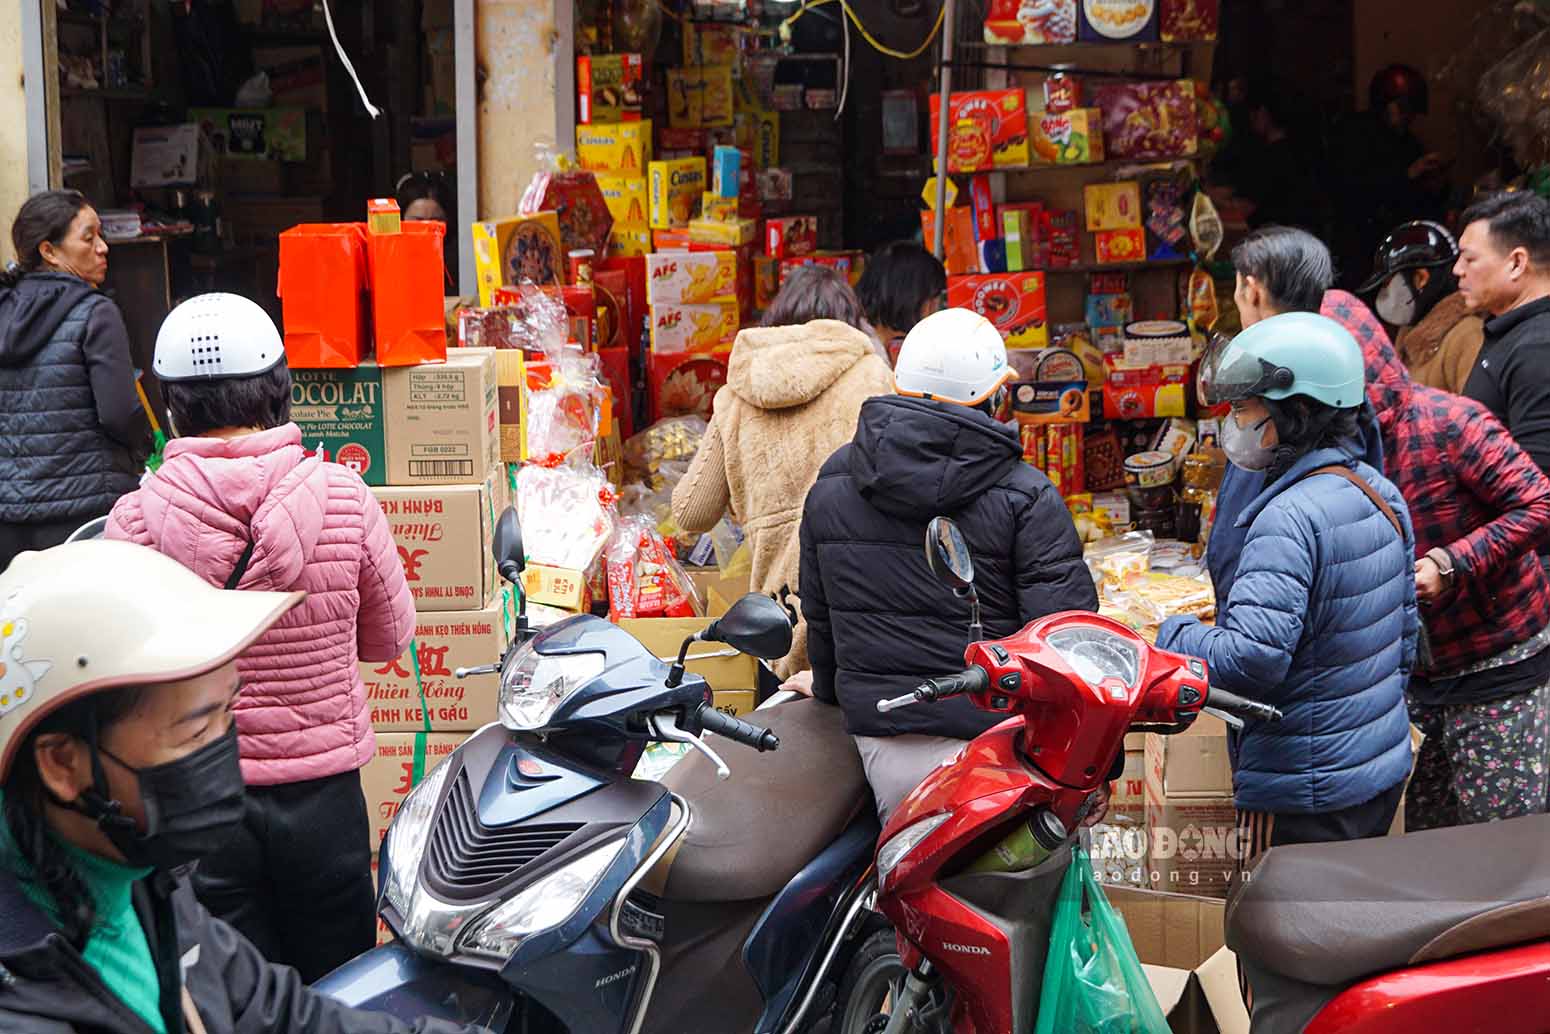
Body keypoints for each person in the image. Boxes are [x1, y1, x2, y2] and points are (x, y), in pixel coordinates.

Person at [0, 540, 483, 1033]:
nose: (225, 748)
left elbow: (278, 1014)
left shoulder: (143, 880)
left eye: (227, 711)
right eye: (194, 730)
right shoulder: (25, 1004)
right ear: (62, 763)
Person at [104, 293, 416, 982]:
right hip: (325, 793)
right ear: (279, 389)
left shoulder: (135, 520)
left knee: (231, 991)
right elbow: (389, 636)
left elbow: (122, 676)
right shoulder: (344, 496)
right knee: (342, 987)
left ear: (173, 403)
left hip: (198, 793)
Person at [799, 307, 1098, 823]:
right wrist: (1094, 767)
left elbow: (822, 618)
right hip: (1002, 751)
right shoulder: (1025, 495)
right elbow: (1070, 644)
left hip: (881, 745)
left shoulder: (834, 480)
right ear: (993, 397)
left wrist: (827, 691)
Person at [1163, 312, 1415, 871]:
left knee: (1279, 942)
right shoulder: (1377, 491)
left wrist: (1173, 633)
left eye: (1244, 408)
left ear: (1294, 412)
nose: (1234, 424)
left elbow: (1249, 661)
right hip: (1375, 772)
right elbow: (1405, 639)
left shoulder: (1286, 517)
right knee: (1350, 936)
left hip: (1302, 792)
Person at [1355, 307, 1550, 831]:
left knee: (1501, 849)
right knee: (1427, 846)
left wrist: (1452, 562)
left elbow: (1539, 505)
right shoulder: (1343, 449)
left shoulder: (1450, 422)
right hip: (1413, 678)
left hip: (1497, 667)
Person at [672, 264, 893, 683]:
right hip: (860, 602)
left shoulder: (736, 396)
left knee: (786, 738)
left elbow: (690, 511)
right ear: (848, 322)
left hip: (780, 616)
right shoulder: (872, 378)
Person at [1207, 226, 1390, 597]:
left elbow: (1240, 538)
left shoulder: (1272, 388)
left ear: (1251, 288)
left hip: (1271, 608)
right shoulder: (1335, 369)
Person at [0, 190, 150, 571]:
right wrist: (142, 447)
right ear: (49, 251)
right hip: (82, 516)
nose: (103, 248)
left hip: (7, 519)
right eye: (88, 237)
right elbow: (119, 413)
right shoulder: (95, 313)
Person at [1456, 191, 1550, 576]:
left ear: (1516, 263)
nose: (1457, 270)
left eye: (1470, 258)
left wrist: (1454, 563)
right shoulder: (1513, 333)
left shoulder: (1538, 349)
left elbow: (1539, 491)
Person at [1330, 65, 1450, 290]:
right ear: (1383, 105)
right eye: (1402, 109)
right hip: (1360, 244)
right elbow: (1352, 189)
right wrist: (1407, 175)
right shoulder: (1354, 134)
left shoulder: (1409, 142)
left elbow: (1420, 201)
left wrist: (1437, 184)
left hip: (1399, 248)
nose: (1408, 118)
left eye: (1411, 112)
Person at [1359, 220, 1485, 393]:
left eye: (1387, 282)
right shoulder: (1408, 332)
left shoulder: (1467, 336)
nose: (1384, 292)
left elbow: (1476, 415)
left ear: (1420, 278)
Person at [854, 241, 947, 362]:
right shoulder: (862, 352)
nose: (934, 310)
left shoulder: (880, 343)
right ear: (909, 297)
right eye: (933, 299)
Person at [395, 170, 457, 289]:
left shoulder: (459, 262)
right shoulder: (389, 261)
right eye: (418, 220)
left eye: (436, 221)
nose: (427, 229)